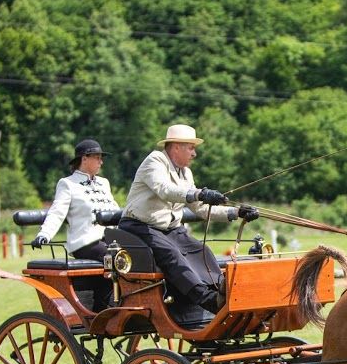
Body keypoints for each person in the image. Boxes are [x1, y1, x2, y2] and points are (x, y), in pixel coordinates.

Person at [118, 124, 259, 314]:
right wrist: (199, 193)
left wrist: (236, 212)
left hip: (169, 229)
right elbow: (165, 190)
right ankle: (208, 300)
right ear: (176, 147)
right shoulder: (155, 161)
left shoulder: (186, 172)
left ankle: (221, 290)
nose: (194, 154)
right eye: (191, 148)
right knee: (171, 254)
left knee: (201, 250)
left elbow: (200, 209)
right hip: (139, 226)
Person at [30, 138, 120, 262]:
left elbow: (116, 211)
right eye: (98, 158)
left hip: (110, 239)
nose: (101, 162)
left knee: (139, 252)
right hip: (85, 243)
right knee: (119, 257)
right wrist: (44, 234)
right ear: (84, 159)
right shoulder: (67, 184)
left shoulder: (104, 183)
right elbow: (57, 212)